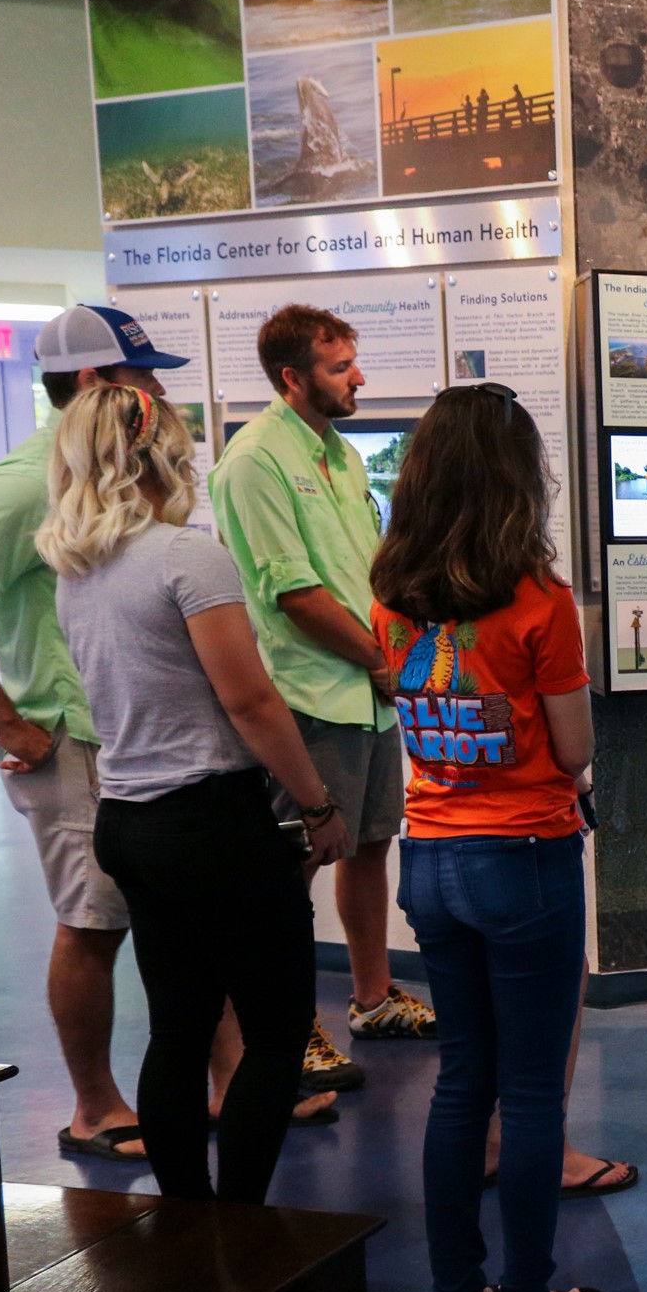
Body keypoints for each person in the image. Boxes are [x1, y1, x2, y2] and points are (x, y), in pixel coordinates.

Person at [40, 381, 357, 1207]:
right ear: (160, 450)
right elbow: (250, 702)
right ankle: (241, 1217)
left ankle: (185, 1217)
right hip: (212, 820)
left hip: (130, 821)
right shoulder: (187, 557)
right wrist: (317, 805)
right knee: (277, 1030)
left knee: (179, 1026)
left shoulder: (78, 568)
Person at [371, 385, 626, 1292]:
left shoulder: (391, 597)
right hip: (525, 861)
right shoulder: (540, 603)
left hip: (429, 859)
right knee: (529, 1096)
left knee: (457, 1085)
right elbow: (571, 750)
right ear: (521, 481)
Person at [0, 305, 219, 1162]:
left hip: (146, 738)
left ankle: (231, 1083)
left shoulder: (123, 479)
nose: (160, 391)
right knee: (94, 920)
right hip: (76, 742)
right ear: (95, 383)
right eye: (144, 374)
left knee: (188, 917)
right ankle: (95, 1106)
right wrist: (8, 721)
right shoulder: (26, 481)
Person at [214, 306, 417, 1096]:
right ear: (293, 378)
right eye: (339, 367)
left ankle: (370, 999)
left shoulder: (341, 454)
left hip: (368, 694)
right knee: (289, 867)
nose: (358, 377)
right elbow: (291, 591)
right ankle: (285, 1027)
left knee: (368, 844)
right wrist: (379, 662)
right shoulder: (255, 461)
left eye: (354, 361)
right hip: (311, 693)